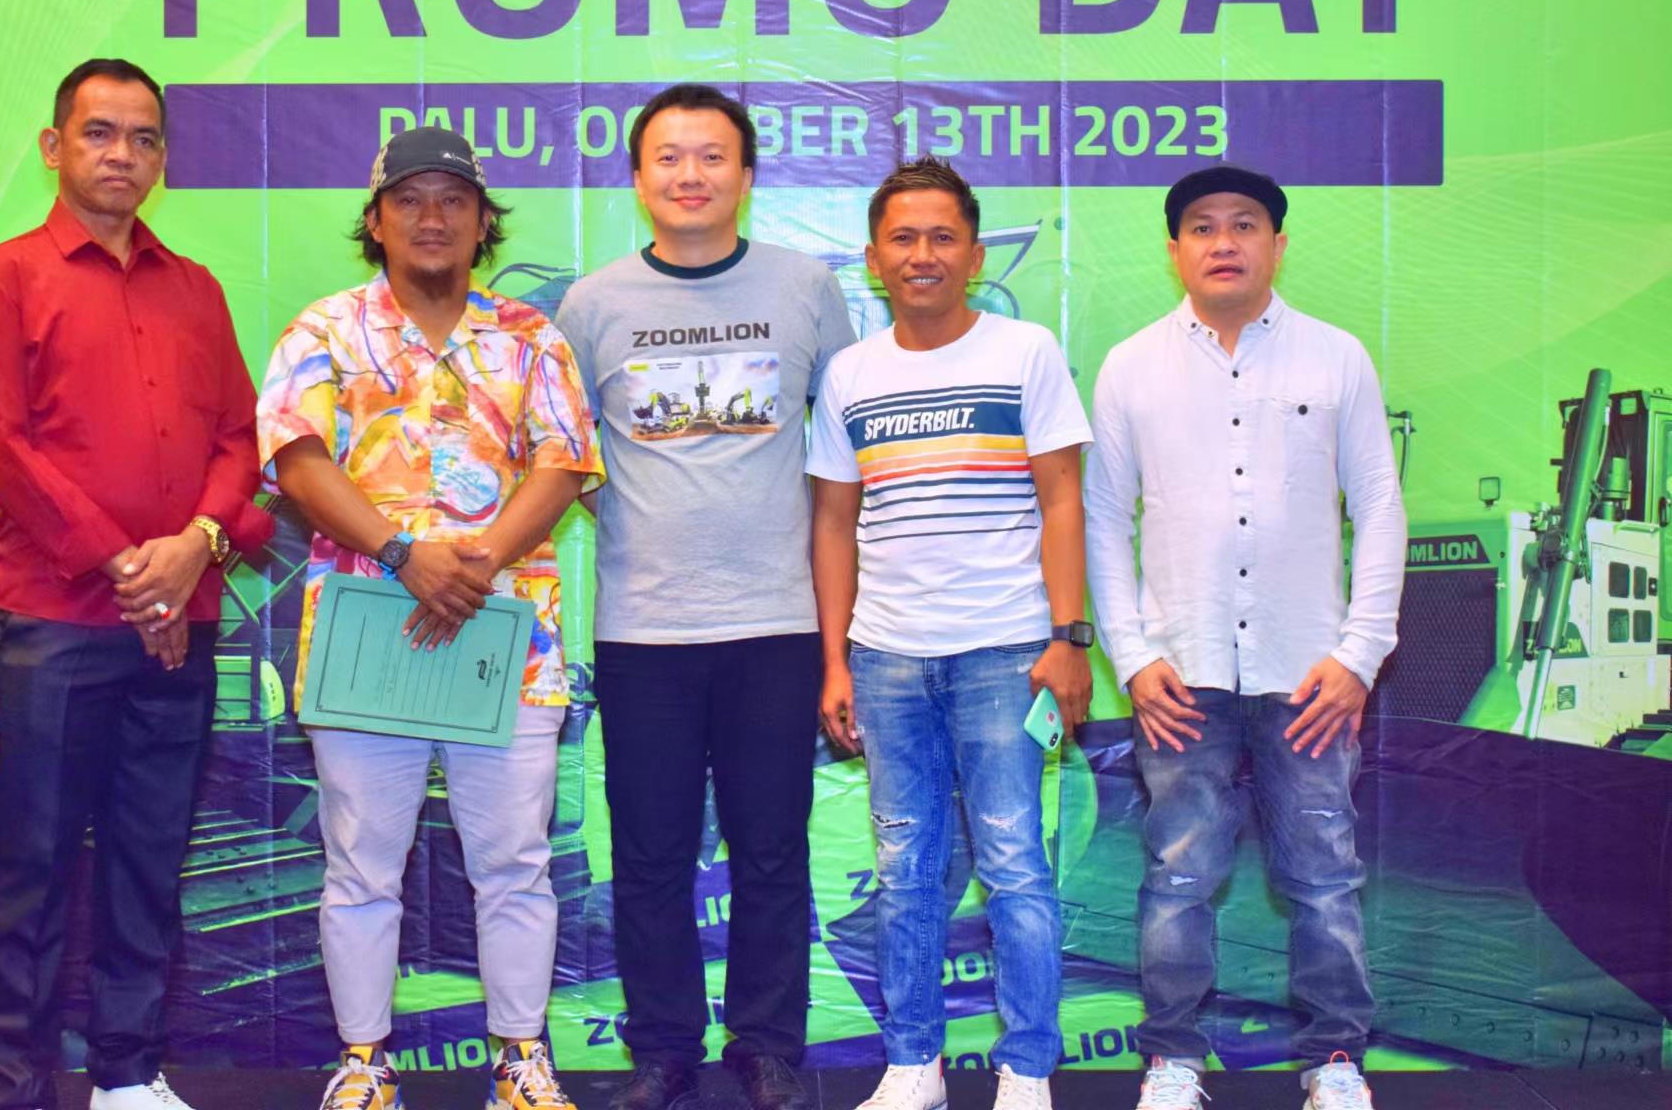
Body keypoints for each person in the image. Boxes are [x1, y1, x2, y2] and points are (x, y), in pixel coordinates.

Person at [257, 127, 602, 1110]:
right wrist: (406, 554)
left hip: (505, 632)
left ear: (484, 221)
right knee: (362, 864)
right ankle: (365, 1063)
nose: (433, 217)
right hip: (369, 627)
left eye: (454, 199)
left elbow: (563, 462)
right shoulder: (324, 331)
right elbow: (297, 461)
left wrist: (479, 560)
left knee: (515, 862)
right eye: (409, 199)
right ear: (376, 220)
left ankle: (522, 1063)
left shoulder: (531, 336)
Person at [0, 58, 272, 1110]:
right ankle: (15, 1082)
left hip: (183, 613)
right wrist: (132, 569)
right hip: (58, 620)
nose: (121, 154)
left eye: (142, 137)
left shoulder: (196, 290)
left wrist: (193, 547)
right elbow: (2, 447)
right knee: (34, 865)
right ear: (55, 148)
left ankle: (128, 1074)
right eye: (98, 132)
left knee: (149, 855)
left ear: (163, 158)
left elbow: (237, 438)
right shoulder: (4, 277)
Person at [553, 84, 857, 1110]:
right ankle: (663, 1050)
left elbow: (844, 460)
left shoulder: (806, 287)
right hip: (644, 629)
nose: (691, 175)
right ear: (639, 178)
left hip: (778, 623)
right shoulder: (592, 305)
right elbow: (566, 458)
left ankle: (766, 1044)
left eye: (712, 156)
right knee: (649, 854)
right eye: (670, 158)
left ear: (747, 174)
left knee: (772, 848)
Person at [1083, 165, 1406, 1110]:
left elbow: (1380, 506)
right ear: (1175, 248)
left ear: (1278, 242)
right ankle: (1172, 1061)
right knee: (1179, 874)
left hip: (1310, 673)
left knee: (1323, 878)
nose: (1224, 241)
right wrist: (1133, 656)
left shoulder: (1335, 357)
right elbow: (1103, 518)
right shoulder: (1131, 366)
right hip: (1179, 673)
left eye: (1245, 224)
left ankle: (1335, 1062)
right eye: (1202, 226)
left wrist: (1359, 656)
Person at [808, 157, 1095, 1110]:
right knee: (905, 872)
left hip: (1007, 655)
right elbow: (833, 524)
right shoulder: (850, 374)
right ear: (873, 258)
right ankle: (913, 1066)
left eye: (942, 237)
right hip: (887, 660)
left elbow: (1063, 500)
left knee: (1014, 866)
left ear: (973, 255)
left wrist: (1069, 638)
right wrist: (835, 661)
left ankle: (1028, 1069)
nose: (922, 254)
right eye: (903, 238)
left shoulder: (1025, 352)